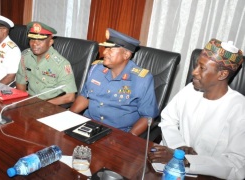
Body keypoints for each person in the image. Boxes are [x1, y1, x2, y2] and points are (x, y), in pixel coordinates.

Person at [148, 39, 245, 179]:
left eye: (202, 68)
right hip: (170, 168)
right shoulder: (190, 90)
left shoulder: (239, 108)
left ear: (222, 74)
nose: (194, 72)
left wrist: (186, 160)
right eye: (196, 66)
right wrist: (178, 147)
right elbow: (168, 119)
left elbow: (237, 163)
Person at [70, 28, 159, 136]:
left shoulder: (142, 79)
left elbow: (147, 116)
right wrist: (68, 117)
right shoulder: (96, 69)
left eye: (111, 49)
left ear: (126, 54)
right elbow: (85, 96)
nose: (104, 52)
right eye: (106, 48)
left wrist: (128, 138)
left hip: (118, 133)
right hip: (88, 125)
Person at [16, 21, 77, 105]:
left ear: (50, 42)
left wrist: (42, 105)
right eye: (32, 39)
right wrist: (23, 103)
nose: (34, 44)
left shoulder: (61, 64)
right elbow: (20, 82)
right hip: (29, 101)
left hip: (51, 105)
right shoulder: (26, 56)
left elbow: (70, 97)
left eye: (40, 40)